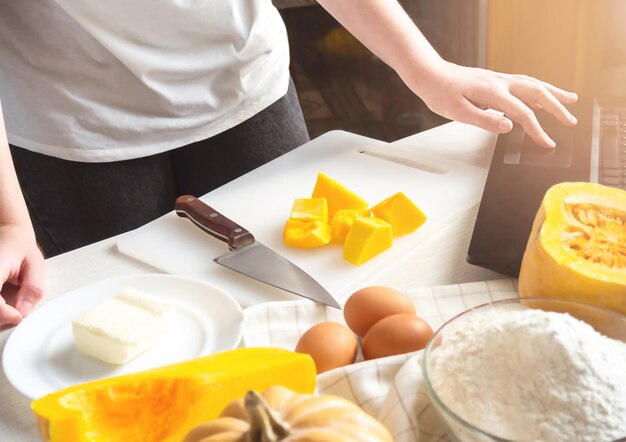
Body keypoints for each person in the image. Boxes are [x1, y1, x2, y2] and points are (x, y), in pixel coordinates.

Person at [0, 0, 578, 326]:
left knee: (294, 313)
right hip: (71, 126)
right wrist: (8, 221)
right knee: (135, 323)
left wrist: (426, 69)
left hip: (247, 86)